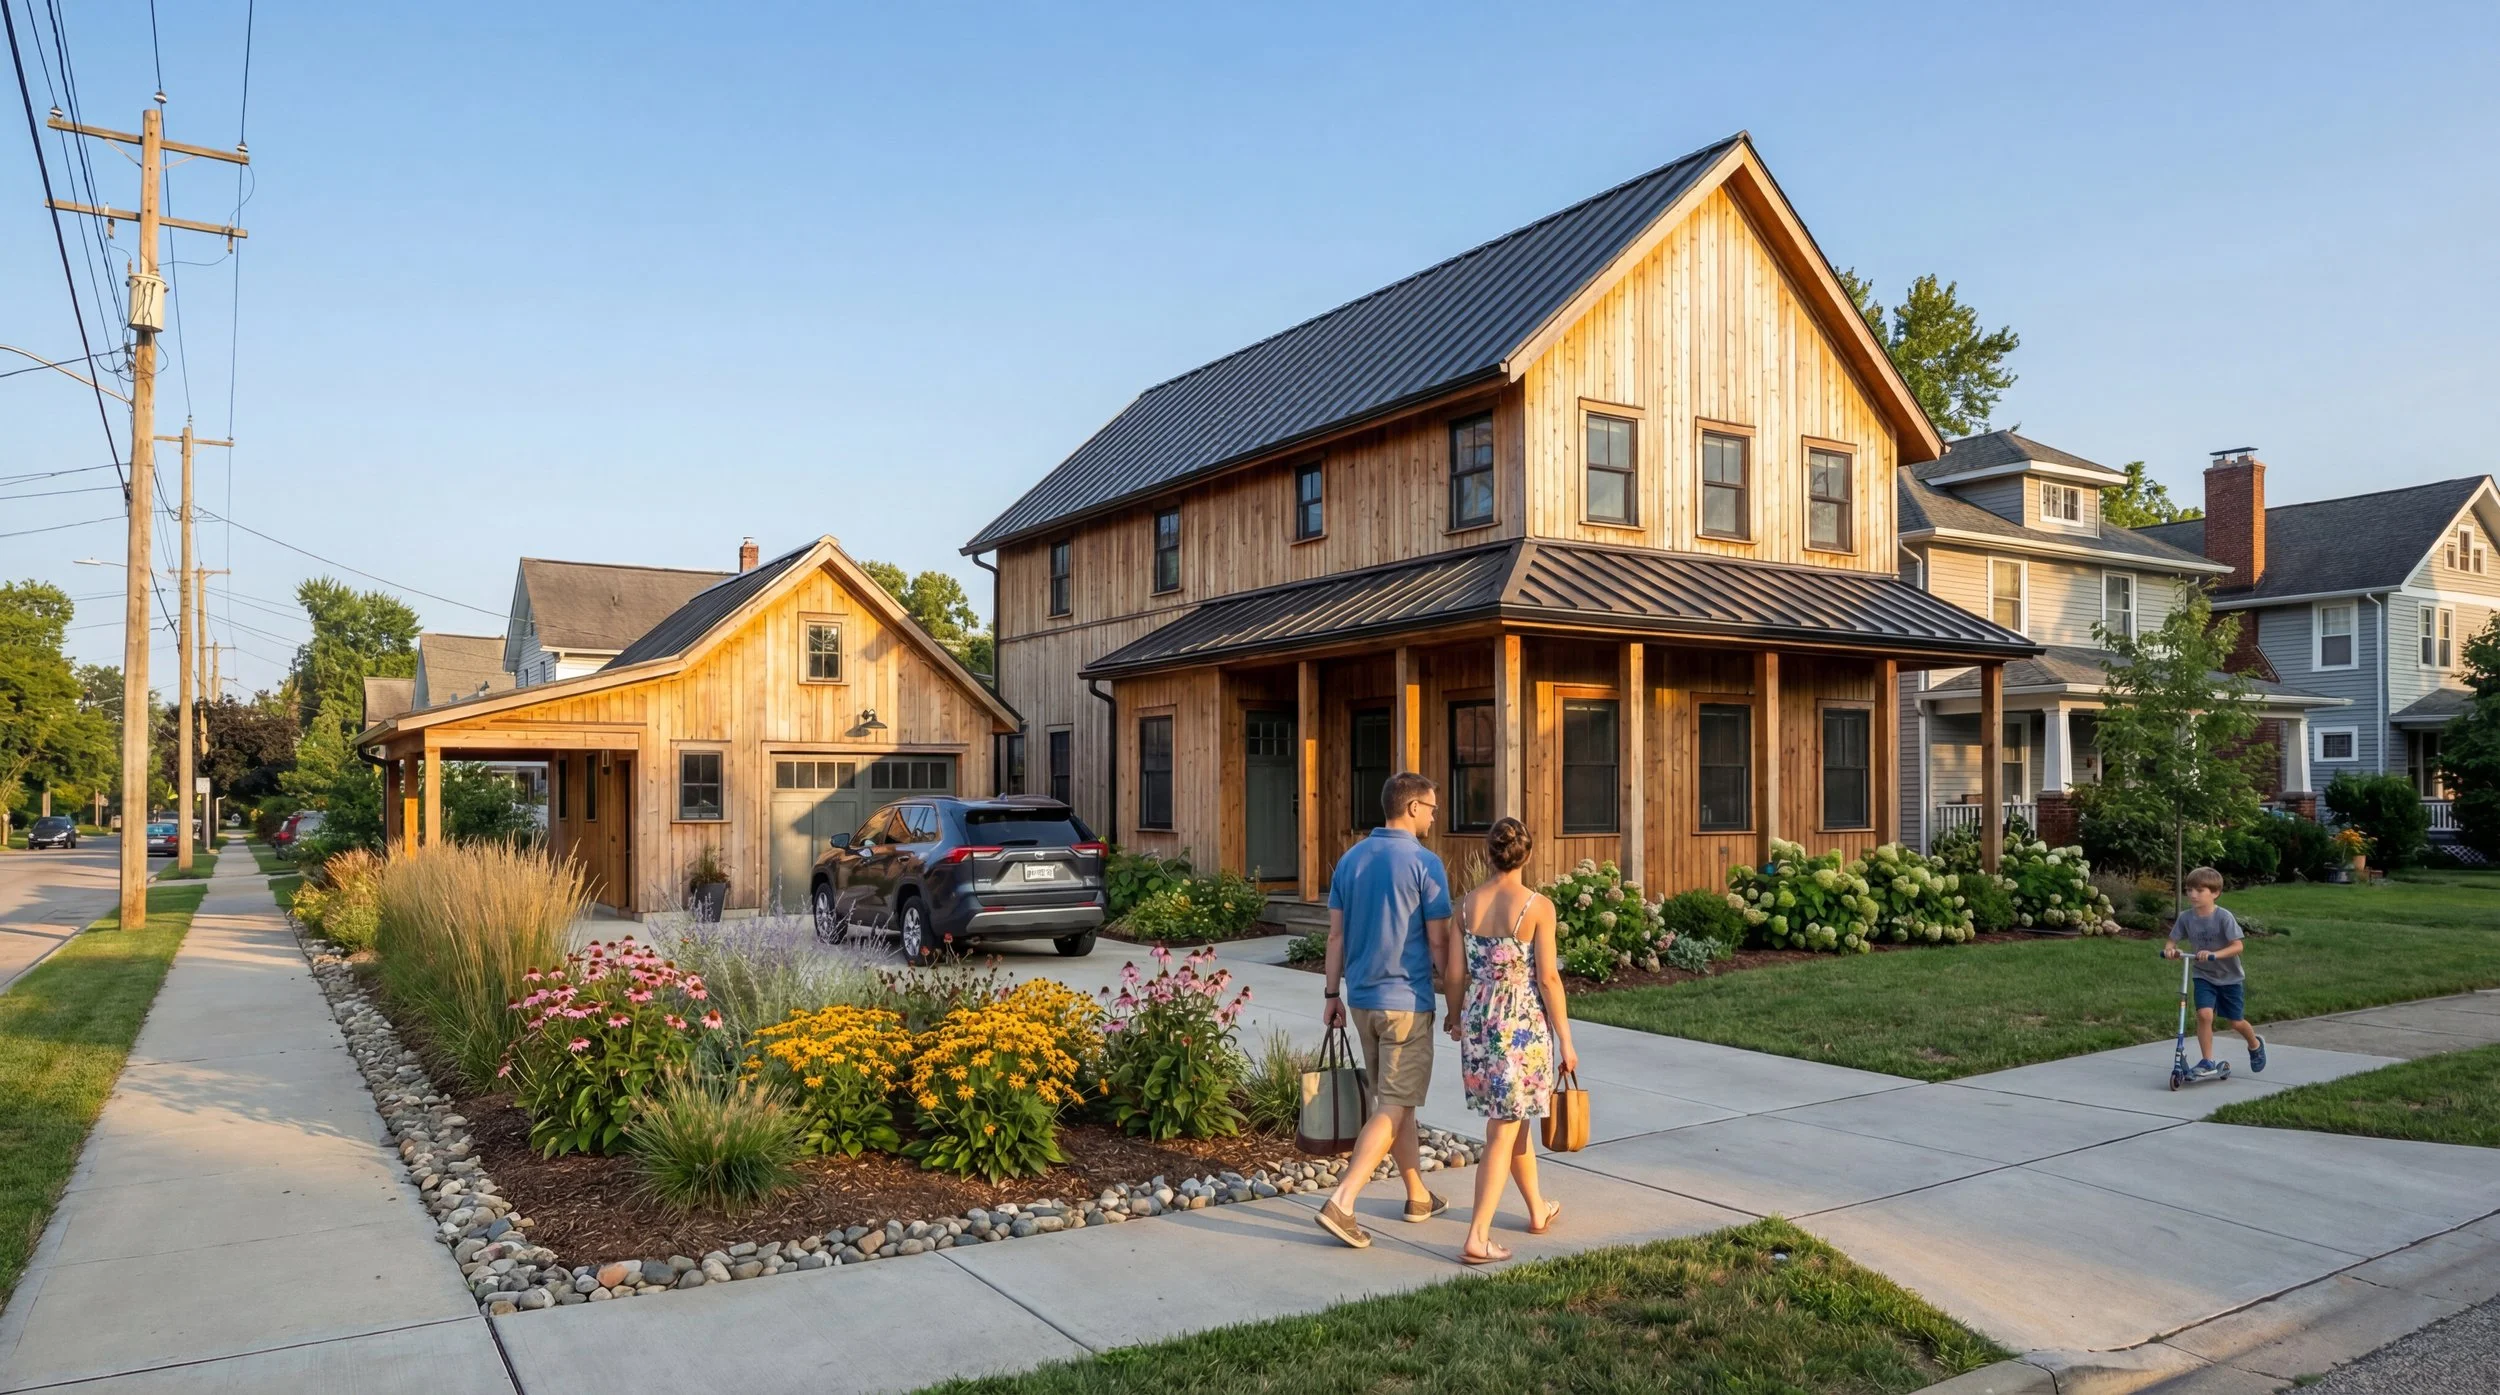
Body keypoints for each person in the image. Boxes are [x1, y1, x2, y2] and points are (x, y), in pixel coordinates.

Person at [1315, 771, 1454, 1250]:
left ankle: (1417, 1195)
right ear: (1413, 807)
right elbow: (1439, 943)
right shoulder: (1424, 863)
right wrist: (1455, 1002)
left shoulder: (1350, 860)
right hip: (1407, 1005)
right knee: (1395, 1103)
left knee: (1397, 1103)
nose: (1435, 816)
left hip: (1361, 1002)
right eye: (1432, 808)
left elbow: (1335, 936)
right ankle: (1343, 1201)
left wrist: (1331, 995)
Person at [1442, 816, 1574, 1264]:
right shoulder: (1537, 906)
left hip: (1480, 1020)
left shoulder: (1464, 906)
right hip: (1519, 1023)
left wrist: (1455, 1016)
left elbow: (1454, 974)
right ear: (1528, 855)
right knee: (1504, 1125)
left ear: (1489, 854)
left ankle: (1537, 1209)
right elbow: (1550, 978)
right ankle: (1477, 1235)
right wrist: (1567, 1040)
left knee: (1512, 1120)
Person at [2165, 865, 2266, 1080]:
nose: (2193, 894)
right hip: (2203, 975)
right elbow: (2172, 940)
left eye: (2199, 890)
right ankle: (2207, 1060)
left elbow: (2238, 946)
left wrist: (2214, 954)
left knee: (2235, 1022)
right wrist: (2171, 951)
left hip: (2230, 978)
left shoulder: (2223, 917)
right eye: (2189, 890)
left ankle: (2255, 1044)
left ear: (2215, 893)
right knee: (2204, 1014)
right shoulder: (2186, 918)